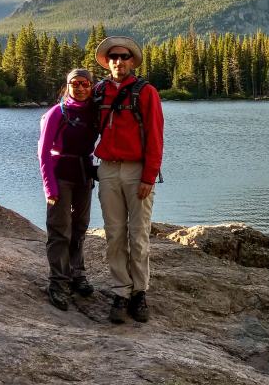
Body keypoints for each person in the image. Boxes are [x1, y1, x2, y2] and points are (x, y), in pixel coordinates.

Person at [93, 36, 164, 324]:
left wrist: (149, 176)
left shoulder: (145, 92)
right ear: (107, 62)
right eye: (113, 57)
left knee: (139, 235)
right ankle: (121, 292)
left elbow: (156, 138)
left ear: (132, 61)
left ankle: (140, 293)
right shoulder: (98, 91)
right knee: (114, 235)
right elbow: (76, 117)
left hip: (137, 171)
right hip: (107, 169)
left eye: (124, 57)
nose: (118, 61)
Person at [37, 68, 99, 311]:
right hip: (60, 175)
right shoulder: (57, 113)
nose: (81, 88)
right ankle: (58, 282)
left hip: (84, 174)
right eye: (75, 84)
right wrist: (49, 187)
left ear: (91, 86)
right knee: (60, 230)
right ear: (68, 86)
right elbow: (43, 153)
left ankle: (77, 274)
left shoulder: (94, 112)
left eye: (85, 83)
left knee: (80, 226)